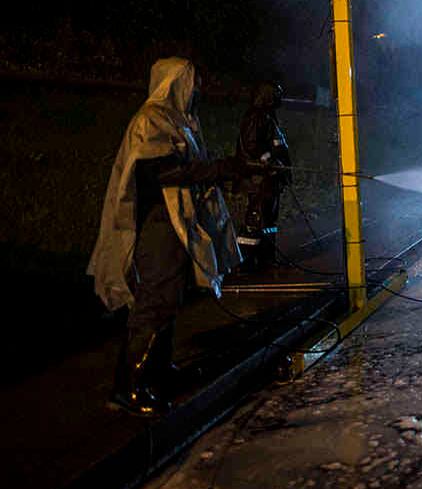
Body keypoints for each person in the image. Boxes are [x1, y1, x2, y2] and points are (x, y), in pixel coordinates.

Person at [90, 58, 246, 416]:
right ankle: (128, 386)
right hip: (157, 224)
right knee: (155, 300)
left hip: (175, 223)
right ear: (174, 83)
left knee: (171, 296)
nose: (199, 89)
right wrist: (218, 168)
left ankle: (156, 371)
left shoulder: (179, 120)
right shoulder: (151, 120)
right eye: (193, 81)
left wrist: (222, 170)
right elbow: (162, 171)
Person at [236, 81, 291, 270]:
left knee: (268, 221)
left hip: (269, 180)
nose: (279, 98)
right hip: (258, 180)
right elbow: (251, 147)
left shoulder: (268, 116)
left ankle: (267, 259)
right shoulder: (256, 117)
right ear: (267, 96)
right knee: (255, 220)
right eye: (276, 94)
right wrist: (268, 159)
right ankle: (247, 261)